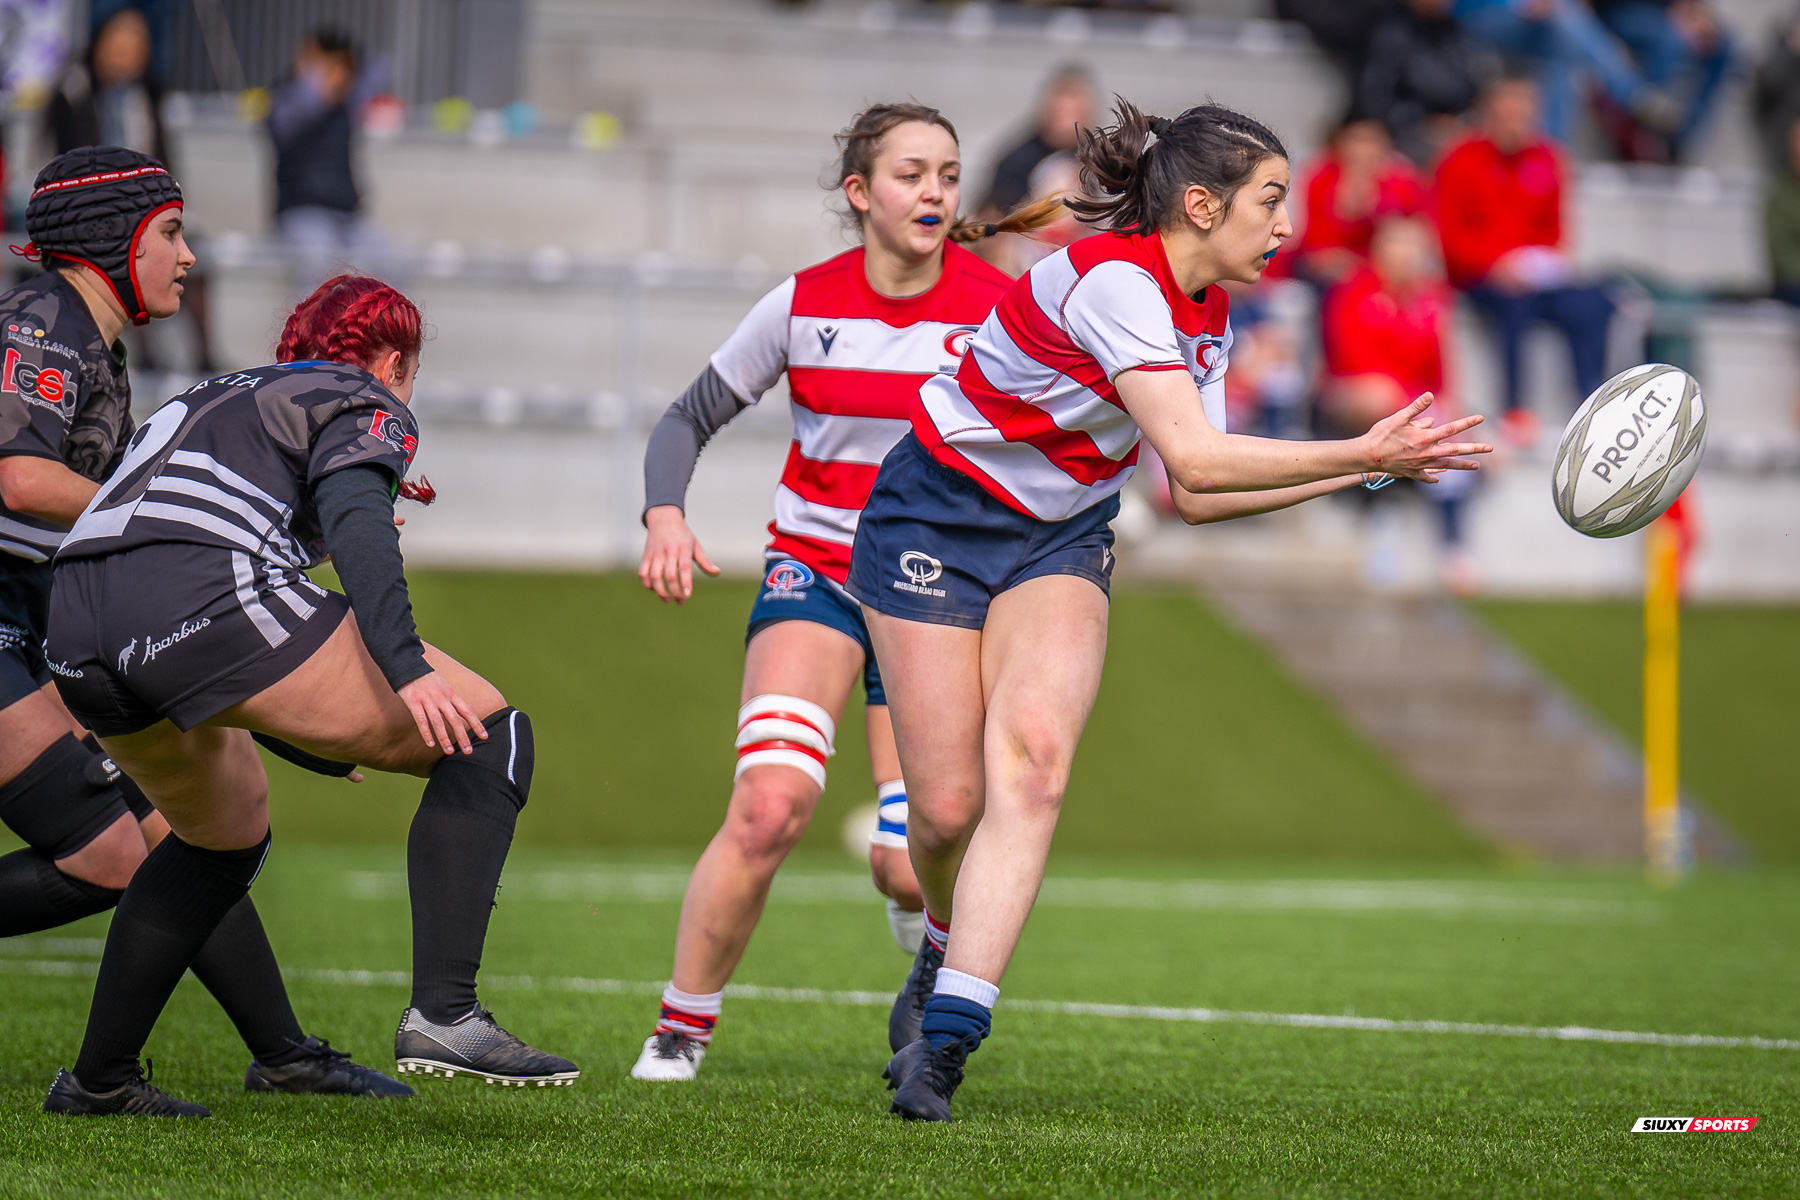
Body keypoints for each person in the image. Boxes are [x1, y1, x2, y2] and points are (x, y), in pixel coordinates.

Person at [844, 99, 1491, 1122]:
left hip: (1057, 538)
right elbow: (1196, 459)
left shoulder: (1208, 312)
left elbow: (1189, 497)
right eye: (1271, 202)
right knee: (950, 810)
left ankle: (948, 1041)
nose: (1287, 227)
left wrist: (1366, 477)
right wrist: (1366, 451)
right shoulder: (1116, 283)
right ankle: (936, 938)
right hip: (930, 519)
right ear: (1200, 203)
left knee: (1036, 765)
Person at [38, 273, 578, 1117]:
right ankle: (446, 1011)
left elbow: (200, 557)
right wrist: (405, 669)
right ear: (392, 361)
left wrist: (308, 738)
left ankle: (100, 1080)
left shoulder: (219, 393)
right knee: (493, 733)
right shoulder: (363, 395)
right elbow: (354, 526)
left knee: (218, 836)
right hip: (197, 596)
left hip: (71, 624)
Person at [632, 101, 1060, 1084]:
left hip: (934, 597)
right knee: (771, 806)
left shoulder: (999, 311)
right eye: (912, 174)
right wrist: (664, 513)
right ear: (860, 193)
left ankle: (927, 937)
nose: (936, 192)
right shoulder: (803, 304)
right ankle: (680, 1029)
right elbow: (684, 419)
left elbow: (1050, 447)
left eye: (948, 175)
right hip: (816, 574)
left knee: (912, 855)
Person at [0, 147, 409, 1113]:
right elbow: (18, 478)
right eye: (172, 232)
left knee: (177, 829)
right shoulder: (44, 319)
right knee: (112, 852)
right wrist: (165, 514)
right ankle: (223, 1064)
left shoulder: (85, 337)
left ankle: (282, 1052)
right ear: (113, 239)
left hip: (29, 612)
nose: (189, 256)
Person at [1436, 74, 1614, 447]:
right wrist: (1494, 265)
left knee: (1595, 302)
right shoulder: (1460, 160)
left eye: (1523, 114)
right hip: (1479, 278)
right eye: (1508, 113)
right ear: (1489, 113)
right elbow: (1449, 235)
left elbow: (1554, 230)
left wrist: (1543, 262)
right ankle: (1515, 407)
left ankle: (1591, 401)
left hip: (1534, 276)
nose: (1516, 123)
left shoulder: (1548, 158)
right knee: (1513, 306)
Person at [1320, 215, 1480, 592]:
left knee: (1451, 425)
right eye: (1399, 244)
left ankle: (1447, 543)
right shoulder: (1353, 291)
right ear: (1379, 249)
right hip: (1351, 398)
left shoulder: (1429, 300)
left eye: (1414, 246)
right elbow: (1347, 362)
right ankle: (1386, 519)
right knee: (1384, 402)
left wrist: (1444, 408)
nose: (1408, 255)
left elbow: (1440, 373)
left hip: (1409, 404)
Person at [1452, 0, 1680, 146]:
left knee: (1561, 51)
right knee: (1566, 23)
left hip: (1536, 26)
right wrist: (1518, 7)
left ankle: (1550, 153)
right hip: (1479, 19)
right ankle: (1632, 94)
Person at [266, 27, 385, 293]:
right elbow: (293, 117)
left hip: (348, 216)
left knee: (392, 261)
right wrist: (311, 77)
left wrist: (349, 61)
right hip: (302, 213)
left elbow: (380, 68)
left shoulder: (347, 103)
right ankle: (313, 334)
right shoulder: (286, 100)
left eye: (342, 67)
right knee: (320, 266)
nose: (337, 75)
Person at [1290, 119, 1429, 288]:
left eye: (1371, 140)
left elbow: (1411, 235)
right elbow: (1308, 237)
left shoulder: (1400, 182)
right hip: (1323, 270)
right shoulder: (1319, 177)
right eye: (1356, 139)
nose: (1362, 149)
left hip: (1379, 270)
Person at [1592, 0, 1733, 161]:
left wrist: (1695, 16)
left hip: (1669, 14)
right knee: (1669, 41)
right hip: (1621, 11)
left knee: (1721, 46)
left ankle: (1681, 139)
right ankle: (1644, 129)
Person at [1356, 0, 1486, 165]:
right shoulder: (1391, 36)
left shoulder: (1459, 34)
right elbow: (1375, 100)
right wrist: (1424, 123)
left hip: (1458, 129)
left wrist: (1462, 121)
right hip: (1408, 134)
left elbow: (1474, 91)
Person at [977, 65, 1095, 222]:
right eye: (1062, 112)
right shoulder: (1016, 162)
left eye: (1076, 113)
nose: (1068, 125)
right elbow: (989, 218)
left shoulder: (1095, 160)